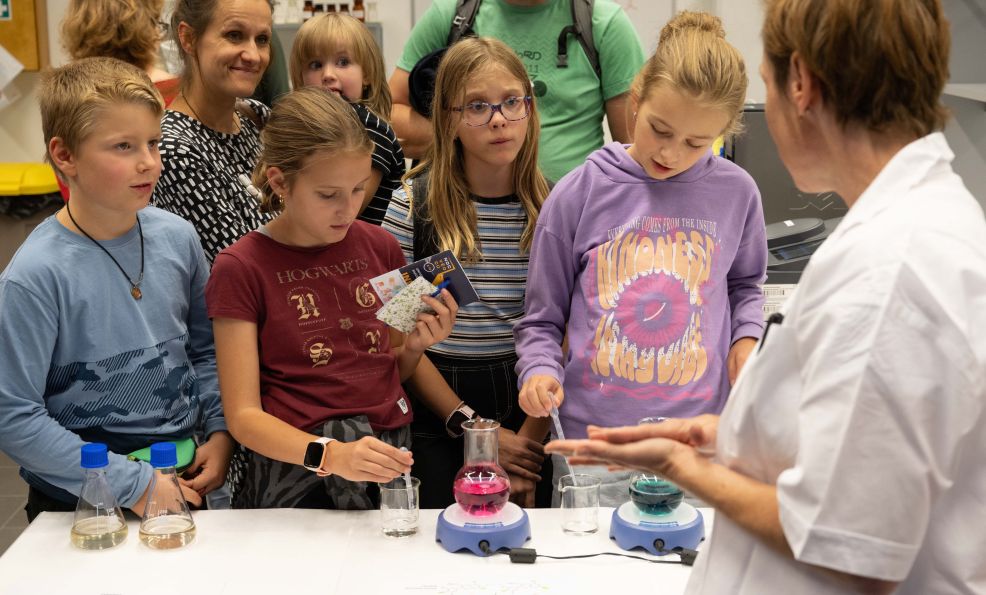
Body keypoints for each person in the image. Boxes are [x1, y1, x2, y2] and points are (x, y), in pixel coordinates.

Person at [548, 1, 986, 593]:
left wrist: (679, 467)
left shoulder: (891, 273)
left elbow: (850, 546)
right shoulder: (913, 230)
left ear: (799, 81)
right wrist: (730, 437)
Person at [514, 11, 767, 506]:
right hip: (595, 442)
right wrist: (538, 371)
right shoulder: (579, 193)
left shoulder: (737, 192)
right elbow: (541, 320)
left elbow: (745, 287)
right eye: (659, 129)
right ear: (636, 99)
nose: (672, 153)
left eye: (698, 143)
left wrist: (746, 340)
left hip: (697, 440)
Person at [0, 57, 232, 521]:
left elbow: (206, 351)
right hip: (81, 501)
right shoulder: (34, 275)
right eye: (123, 146)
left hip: (184, 479)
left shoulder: (178, 237)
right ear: (65, 156)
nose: (148, 162)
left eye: (153, 143)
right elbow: (14, 417)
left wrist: (221, 432)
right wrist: (135, 484)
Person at [206, 87, 459, 510]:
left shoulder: (381, 247)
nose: (348, 209)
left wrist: (416, 346)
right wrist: (330, 454)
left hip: (387, 456)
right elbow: (244, 416)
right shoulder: (240, 267)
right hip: (296, 472)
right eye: (328, 194)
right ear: (280, 182)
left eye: (359, 189)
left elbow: (391, 363)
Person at [381, 37, 552, 509]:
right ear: (449, 119)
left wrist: (526, 443)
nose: (498, 119)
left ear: (529, 108)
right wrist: (471, 427)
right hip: (439, 403)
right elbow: (397, 341)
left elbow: (565, 334)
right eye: (477, 106)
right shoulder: (411, 206)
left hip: (531, 401)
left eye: (511, 102)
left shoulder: (556, 209)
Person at [389, 0, 645, 183]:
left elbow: (636, 152)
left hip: (576, 216)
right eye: (478, 106)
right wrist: (465, 140)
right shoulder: (454, 13)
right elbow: (388, 115)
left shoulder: (603, 23)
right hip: (459, 210)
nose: (500, 122)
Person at [153, 0, 274, 262]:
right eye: (234, 35)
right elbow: (245, 267)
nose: (254, 55)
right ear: (188, 38)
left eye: (262, 39)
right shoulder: (174, 150)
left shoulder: (258, 118)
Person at [289, 12, 405, 226]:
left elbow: (348, 208)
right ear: (300, 77)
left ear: (367, 74)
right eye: (315, 65)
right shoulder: (305, 130)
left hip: (369, 251)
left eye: (343, 62)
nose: (328, 74)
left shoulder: (371, 128)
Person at [61, 0, 180, 106]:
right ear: (147, 29)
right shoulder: (176, 96)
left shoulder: (69, 99)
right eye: (156, 21)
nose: (159, 32)